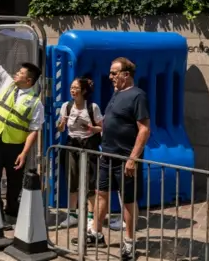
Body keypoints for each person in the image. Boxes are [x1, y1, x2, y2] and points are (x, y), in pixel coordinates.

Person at [0, 32, 44, 225]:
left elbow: (34, 130)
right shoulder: (5, 82)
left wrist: (24, 153)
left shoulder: (35, 103)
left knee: (14, 183)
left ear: (29, 81)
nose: (16, 74)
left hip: (15, 147)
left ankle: (12, 213)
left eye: (20, 73)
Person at [83, 57, 151, 261]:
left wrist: (132, 159)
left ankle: (129, 242)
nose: (110, 76)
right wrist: (97, 129)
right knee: (101, 193)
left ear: (126, 74)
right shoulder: (116, 93)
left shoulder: (138, 96)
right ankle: (96, 233)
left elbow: (144, 129)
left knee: (128, 201)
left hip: (124, 159)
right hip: (107, 155)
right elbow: (114, 123)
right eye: (110, 73)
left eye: (114, 73)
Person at [56, 77, 103, 229]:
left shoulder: (92, 107)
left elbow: (102, 128)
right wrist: (62, 123)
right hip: (72, 144)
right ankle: (72, 215)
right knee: (72, 180)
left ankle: (90, 216)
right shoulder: (66, 106)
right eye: (71, 87)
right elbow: (61, 129)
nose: (72, 90)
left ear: (83, 91)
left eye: (76, 88)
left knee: (90, 181)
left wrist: (91, 128)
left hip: (89, 145)